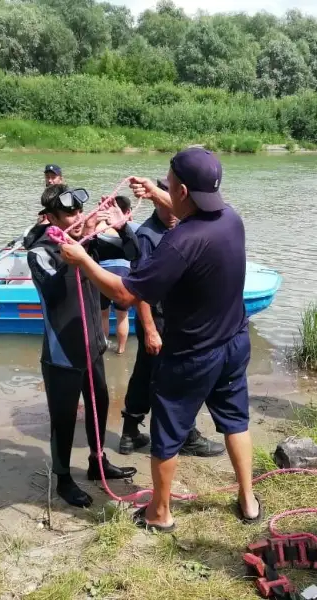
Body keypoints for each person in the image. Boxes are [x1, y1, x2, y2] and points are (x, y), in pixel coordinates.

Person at [58, 148, 260, 532]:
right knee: (236, 421)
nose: (164, 187)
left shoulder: (179, 241)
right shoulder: (231, 219)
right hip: (235, 342)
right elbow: (193, 211)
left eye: (168, 182)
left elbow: (125, 295)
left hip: (191, 354)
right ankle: (248, 501)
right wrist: (155, 193)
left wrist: (83, 260)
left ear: (183, 190)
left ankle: (160, 513)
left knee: (167, 434)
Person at [24, 184, 139, 508]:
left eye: (79, 211)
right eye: (69, 214)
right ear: (50, 218)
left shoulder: (88, 243)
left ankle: (97, 462)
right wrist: (78, 250)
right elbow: (54, 292)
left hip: (93, 345)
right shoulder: (40, 252)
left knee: (99, 404)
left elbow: (133, 253)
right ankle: (63, 479)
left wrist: (121, 226)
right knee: (62, 419)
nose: (77, 217)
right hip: (62, 353)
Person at [118, 177, 226, 459]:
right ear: (156, 201)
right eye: (167, 203)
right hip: (157, 320)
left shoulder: (184, 226)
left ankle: (130, 433)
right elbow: (139, 288)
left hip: (177, 317)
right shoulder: (147, 235)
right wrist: (150, 330)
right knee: (175, 375)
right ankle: (185, 435)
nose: (174, 209)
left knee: (147, 373)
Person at [96, 195, 136, 355]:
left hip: (103, 273)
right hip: (124, 273)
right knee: (122, 316)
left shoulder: (99, 227)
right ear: (128, 211)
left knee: (103, 315)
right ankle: (120, 350)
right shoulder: (132, 227)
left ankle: (103, 348)